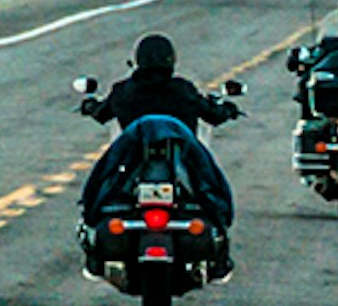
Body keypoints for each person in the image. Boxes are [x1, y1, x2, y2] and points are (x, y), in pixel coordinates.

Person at [83, 32, 240, 223]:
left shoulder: (123, 91)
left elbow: (101, 113)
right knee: (212, 187)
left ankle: (90, 218)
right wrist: (227, 110)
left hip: (131, 161)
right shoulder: (184, 90)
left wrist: (89, 106)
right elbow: (213, 115)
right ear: (171, 60)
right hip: (181, 160)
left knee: (100, 186)